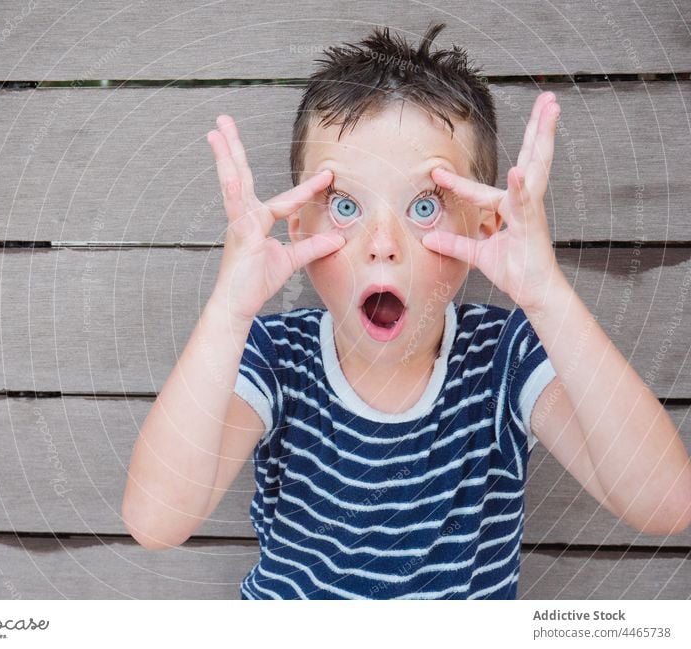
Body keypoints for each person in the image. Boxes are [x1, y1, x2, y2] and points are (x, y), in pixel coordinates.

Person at [121, 23, 691, 599]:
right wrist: (228, 308)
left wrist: (547, 295)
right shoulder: (273, 359)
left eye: (424, 206)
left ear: (486, 225)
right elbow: (156, 520)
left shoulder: (504, 357)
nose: (382, 242)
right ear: (297, 228)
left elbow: (664, 504)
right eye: (345, 205)